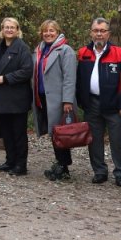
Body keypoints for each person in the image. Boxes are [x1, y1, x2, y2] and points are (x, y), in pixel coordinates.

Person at [76, 17, 121, 186]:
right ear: (90, 33)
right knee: (94, 140)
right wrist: (81, 100)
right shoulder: (82, 53)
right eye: (95, 31)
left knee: (118, 140)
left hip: (114, 105)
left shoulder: (120, 53)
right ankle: (99, 171)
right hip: (91, 103)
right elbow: (79, 79)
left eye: (102, 31)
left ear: (108, 33)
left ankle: (120, 173)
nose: (98, 34)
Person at [31, 20, 76, 181]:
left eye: (51, 31)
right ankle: (60, 163)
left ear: (58, 32)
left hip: (59, 100)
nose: (48, 33)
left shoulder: (66, 51)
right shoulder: (40, 50)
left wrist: (68, 101)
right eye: (45, 31)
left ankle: (64, 167)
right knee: (54, 134)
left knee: (61, 133)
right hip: (43, 98)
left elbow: (70, 78)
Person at [0, 18, 34, 176]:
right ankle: (10, 161)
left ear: (17, 30)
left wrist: (7, 78)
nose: (9, 30)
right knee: (6, 132)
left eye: (12, 27)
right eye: (6, 27)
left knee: (18, 134)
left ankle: (21, 165)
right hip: (1, 98)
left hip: (17, 98)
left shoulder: (22, 48)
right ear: (2, 29)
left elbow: (27, 70)